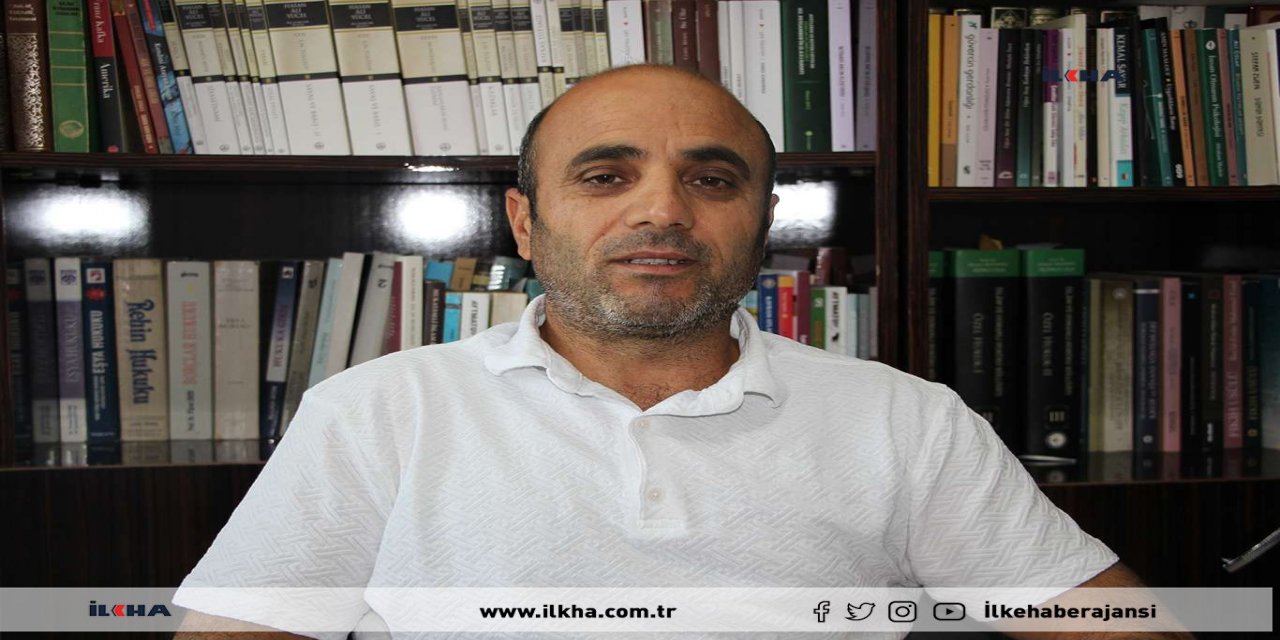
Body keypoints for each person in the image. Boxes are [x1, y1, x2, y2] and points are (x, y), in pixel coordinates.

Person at [173, 65, 1183, 640]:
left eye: (710, 179)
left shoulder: (905, 420)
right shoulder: (376, 413)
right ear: (524, 222)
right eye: (605, 176)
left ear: (762, 220)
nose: (661, 211)